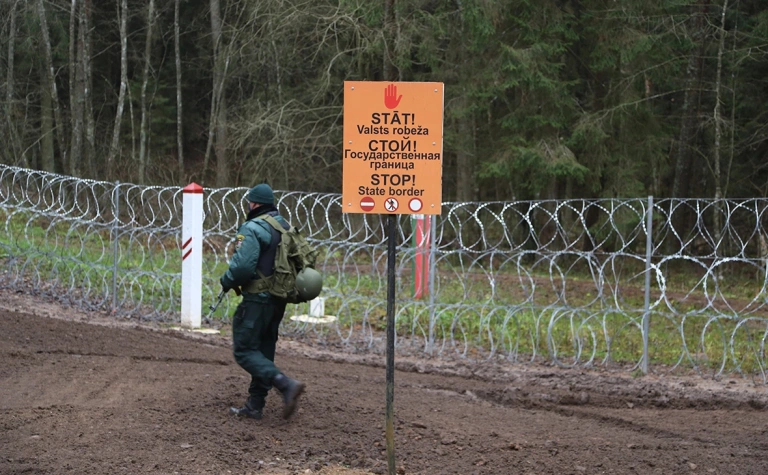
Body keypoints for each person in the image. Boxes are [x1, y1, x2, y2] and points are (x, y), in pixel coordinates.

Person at [220, 183, 305, 420]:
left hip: (257, 299)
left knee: (245, 350)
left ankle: (285, 384)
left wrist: (226, 280)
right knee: (264, 350)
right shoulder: (284, 227)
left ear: (254, 204)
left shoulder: (252, 227)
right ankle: (255, 405)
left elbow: (242, 268)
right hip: (278, 298)